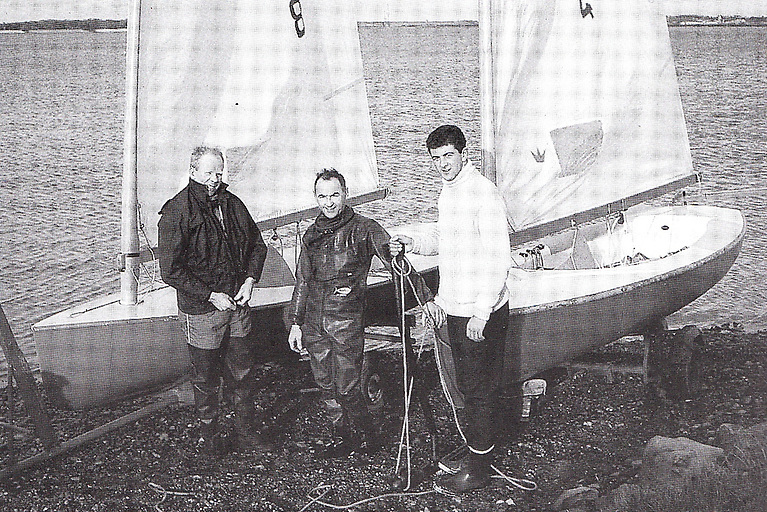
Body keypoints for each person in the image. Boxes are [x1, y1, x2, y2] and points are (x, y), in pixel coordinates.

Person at [390, 125, 512, 495]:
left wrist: (482, 312)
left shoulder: (484, 195)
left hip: (481, 311)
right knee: (466, 387)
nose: (442, 164)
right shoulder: (450, 192)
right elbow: (444, 240)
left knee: (478, 390)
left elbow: (498, 258)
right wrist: (411, 242)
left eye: (448, 156)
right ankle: (476, 453)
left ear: (463, 153)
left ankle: (479, 470)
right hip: (456, 307)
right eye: (436, 159)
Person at [287, 168, 431, 459]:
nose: (328, 203)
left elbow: (396, 262)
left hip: (345, 321)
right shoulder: (310, 235)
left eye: (334, 195)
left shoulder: (365, 228)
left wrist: (425, 298)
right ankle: (343, 437)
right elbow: (302, 280)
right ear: (315, 197)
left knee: (346, 385)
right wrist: (295, 323)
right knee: (325, 384)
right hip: (314, 321)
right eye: (322, 196)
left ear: (345, 194)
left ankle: (370, 435)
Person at [158, 146, 270, 455]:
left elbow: (257, 246)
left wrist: (249, 281)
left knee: (244, 374)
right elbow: (170, 271)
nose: (214, 179)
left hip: (237, 305)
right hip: (202, 311)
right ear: (193, 172)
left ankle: (247, 434)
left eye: (219, 172)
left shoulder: (232, 204)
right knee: (206, 380)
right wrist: (210, 295)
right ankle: (209, 440)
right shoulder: (177, 211)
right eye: (208, 173)